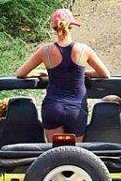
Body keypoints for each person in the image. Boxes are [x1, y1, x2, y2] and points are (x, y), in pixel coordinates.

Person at [14, 9, 110, 142]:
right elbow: (105, 74)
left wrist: (42, 73)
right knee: (75, 154)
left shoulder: (45, 51)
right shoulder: (83, 50)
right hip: (76, 109)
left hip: (52, 107)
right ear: (71, 26)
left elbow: (20, 74)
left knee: (56, 155)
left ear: (54, 27)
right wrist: (81, 73)